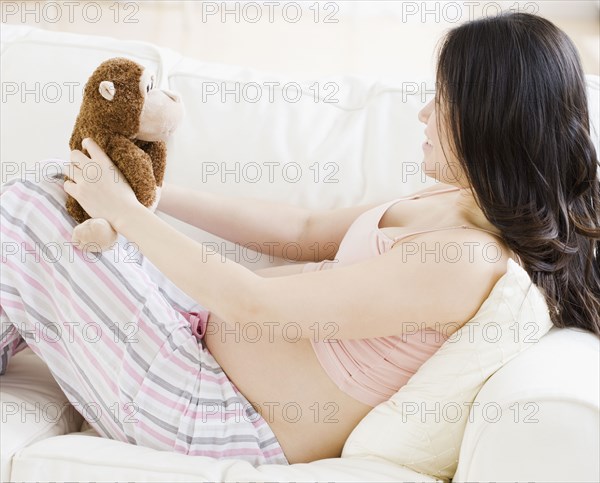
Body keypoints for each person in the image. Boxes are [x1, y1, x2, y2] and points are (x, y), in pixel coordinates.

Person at [1, 12, 598, 466]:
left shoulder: (466, 259)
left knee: (26, 211)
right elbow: (304, 232)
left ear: (488, 120)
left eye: (439, 101)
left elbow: (256, 307)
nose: (422, 115)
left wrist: (128, 214)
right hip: (189, 345)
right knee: (55, 197)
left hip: (209, 415)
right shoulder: (452, 201)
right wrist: (158, 194)